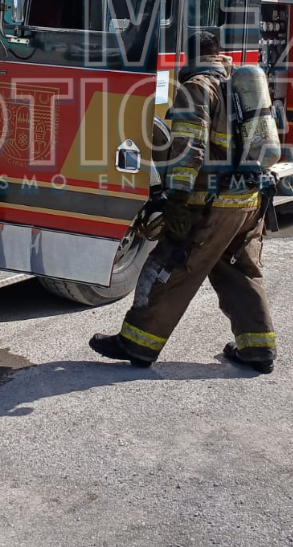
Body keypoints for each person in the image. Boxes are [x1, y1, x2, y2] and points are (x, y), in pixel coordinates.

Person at [89, 30, 278, 374]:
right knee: (241, 272)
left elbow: (189, 149)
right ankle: (258, 349)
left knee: (168, 268)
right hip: (250, 201)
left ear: (189, 56)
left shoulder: (197, 87)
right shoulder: (237, 85)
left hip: (211, 205)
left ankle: (137, 343)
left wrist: (176, 199)